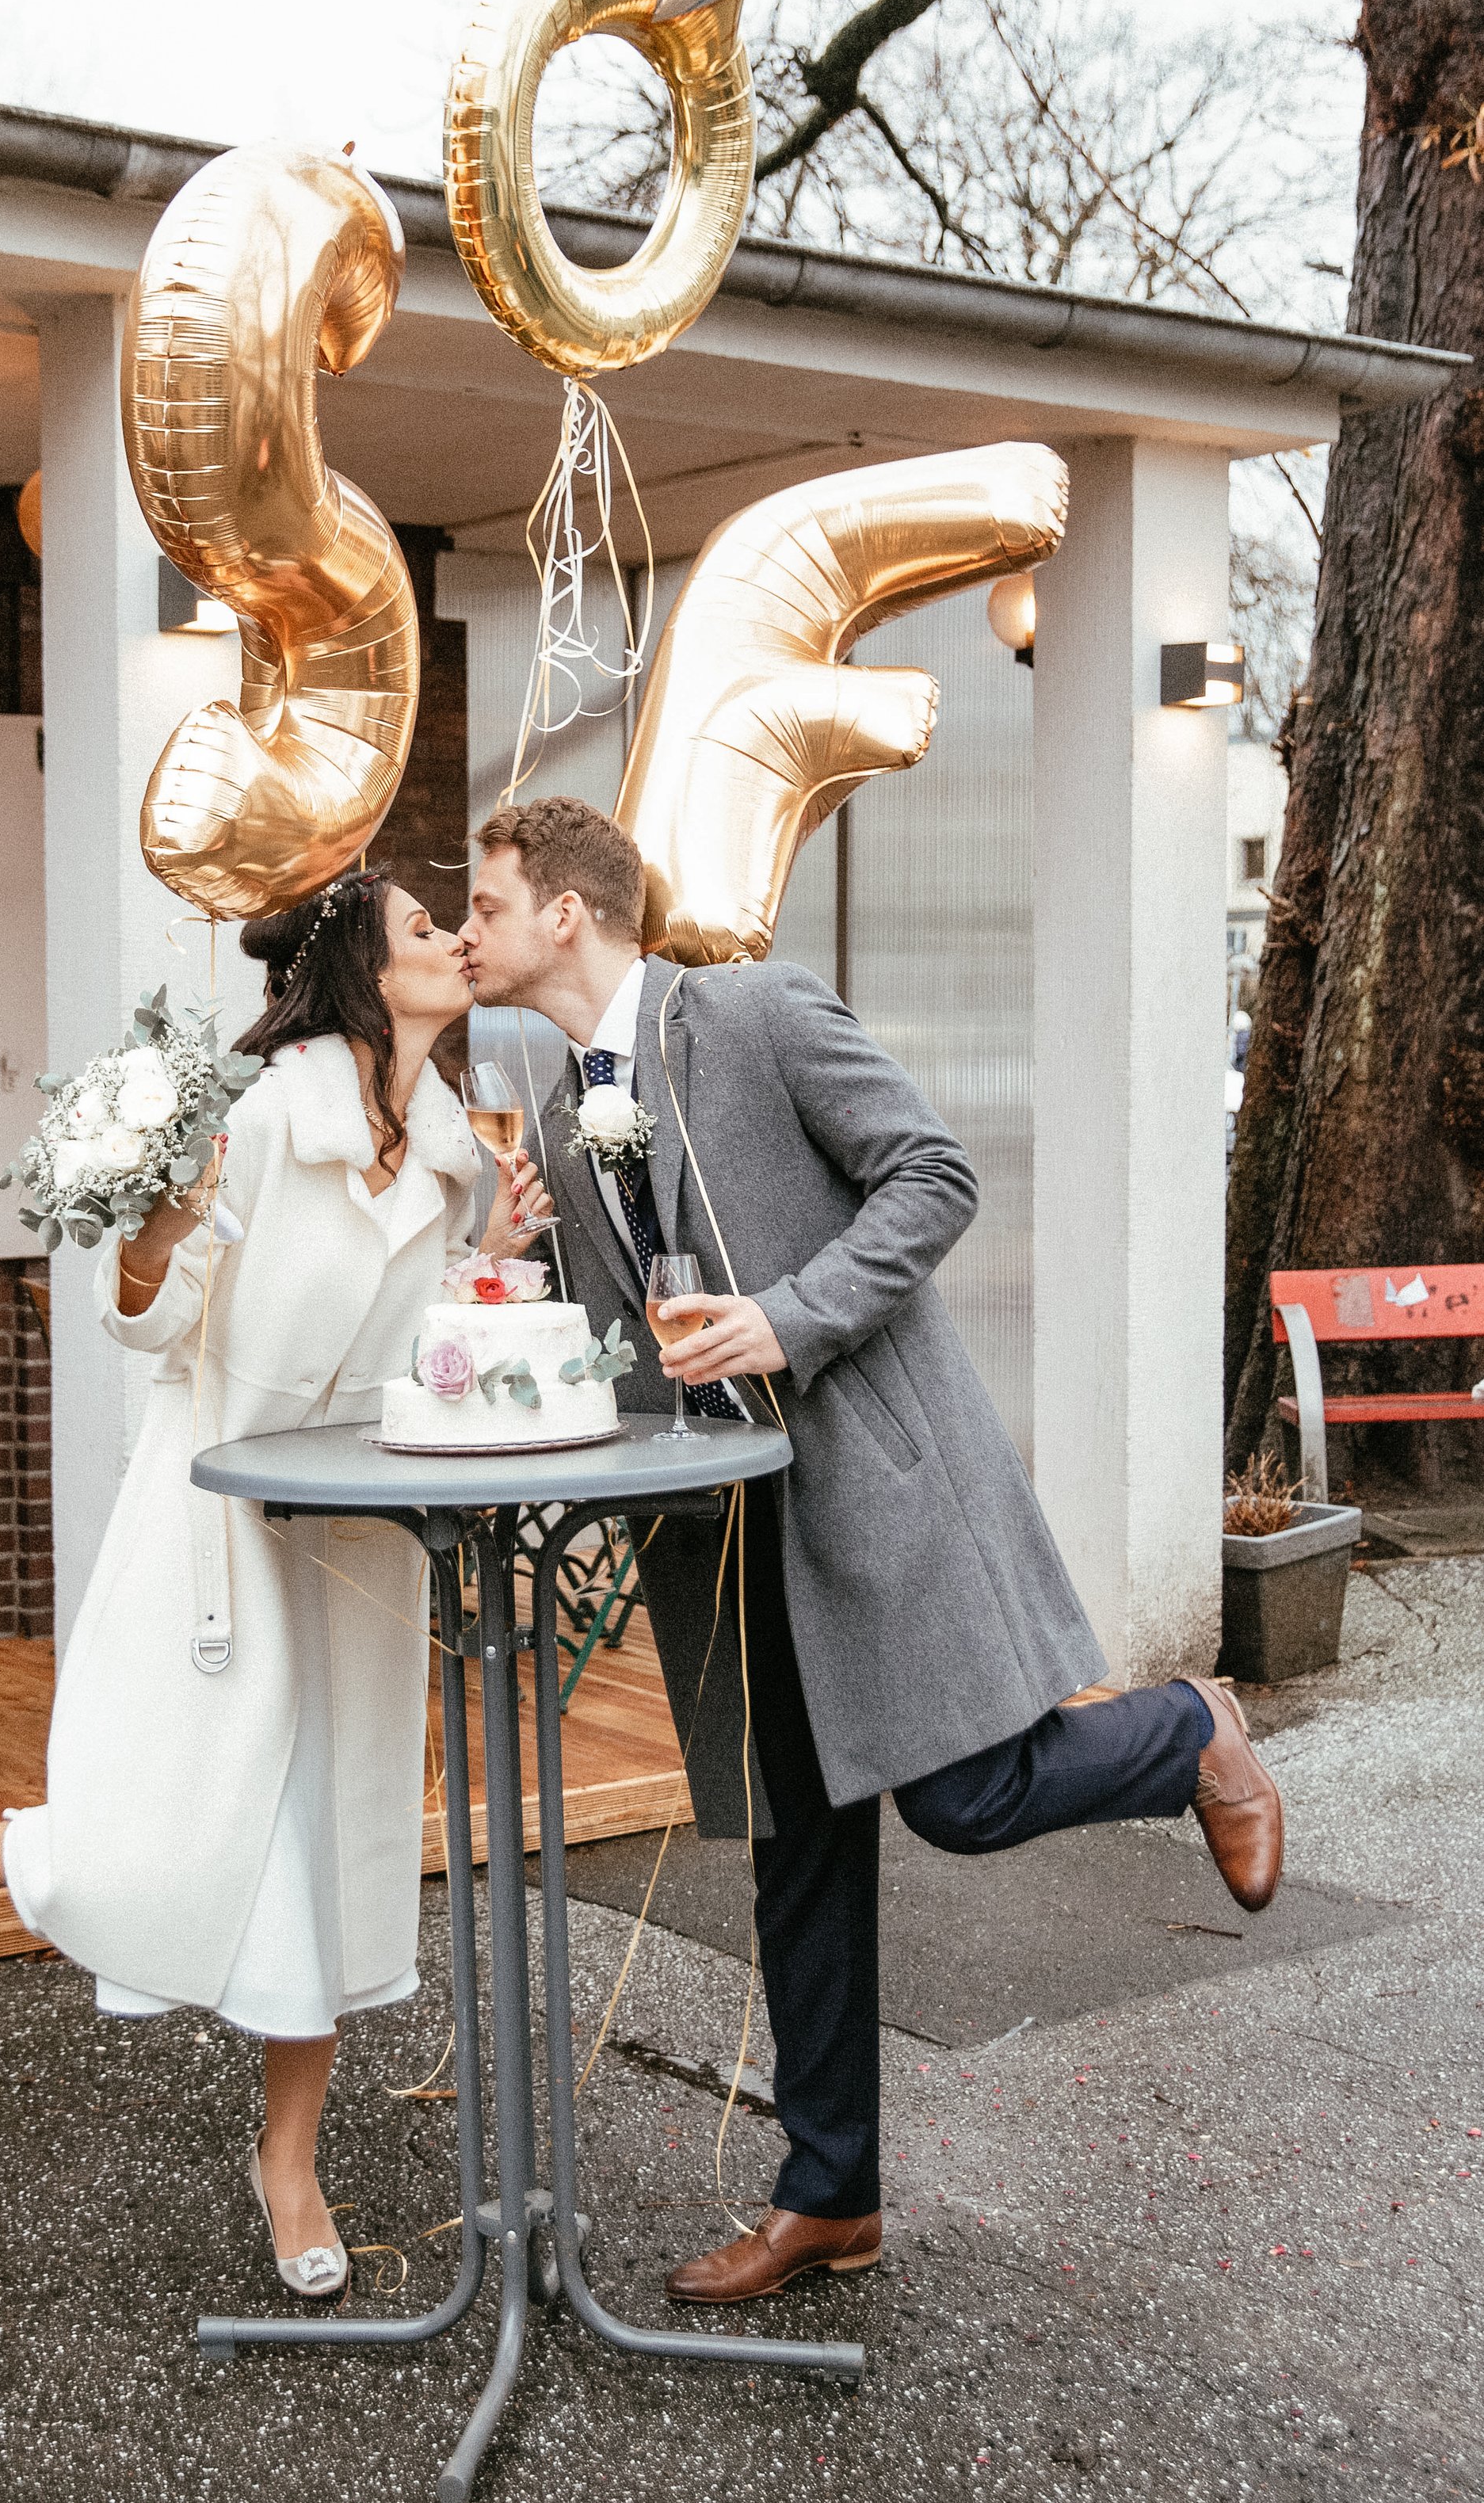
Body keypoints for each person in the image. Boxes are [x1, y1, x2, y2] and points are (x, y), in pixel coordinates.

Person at [458, 794, 1284, 2306]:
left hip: (870, 1480)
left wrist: (789, 1317)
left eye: (486, 902)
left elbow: (935, 1177)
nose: (467, 930)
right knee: (799, 1858)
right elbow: (619, 1333)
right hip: (718, 1532)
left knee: (967, 1798)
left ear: (566, 912)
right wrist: (513, 1266)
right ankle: (830, 2196)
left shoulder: (761, 1013)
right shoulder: (566, 1112)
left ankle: (1191, 1730)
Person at [0, 871, 547, 2299]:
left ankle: (290, 2163)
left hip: (357, 1545)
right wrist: (157, 1230)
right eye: (423, 929)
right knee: (149, 1847)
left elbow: (423, 1349)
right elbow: (145, 1324)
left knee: (319, 1868)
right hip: (215, 1521)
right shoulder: (264, 1117)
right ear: (364, 971)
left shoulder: (453, 1151)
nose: (454, 941)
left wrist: (491, 1261)